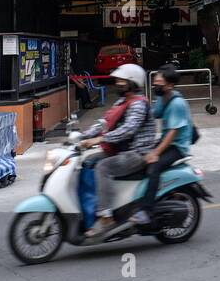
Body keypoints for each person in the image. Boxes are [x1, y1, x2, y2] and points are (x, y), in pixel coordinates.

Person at [77, 63, 159, 237]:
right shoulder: (123, 101)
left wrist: (101, 139)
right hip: (120, 150)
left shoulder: (139, 104)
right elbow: (105, 122)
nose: (117, 83)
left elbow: (128, 129)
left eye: (121, 81)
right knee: (88, 162)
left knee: (103, 167)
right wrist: (83, 136)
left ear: (131, 83)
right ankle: (91, 208)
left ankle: (106, 216)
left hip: (137, 153)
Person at [139, 65, 195, 220]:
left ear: (170, 85)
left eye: (159, 82)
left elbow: (172, 132)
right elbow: (153, 114)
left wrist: (155, 153)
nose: (155, 84)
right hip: (166, 141)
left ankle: (146, 210)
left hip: (177, 146)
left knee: (154, 167)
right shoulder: (161, 97)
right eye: (155, 81)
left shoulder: (177, 103)